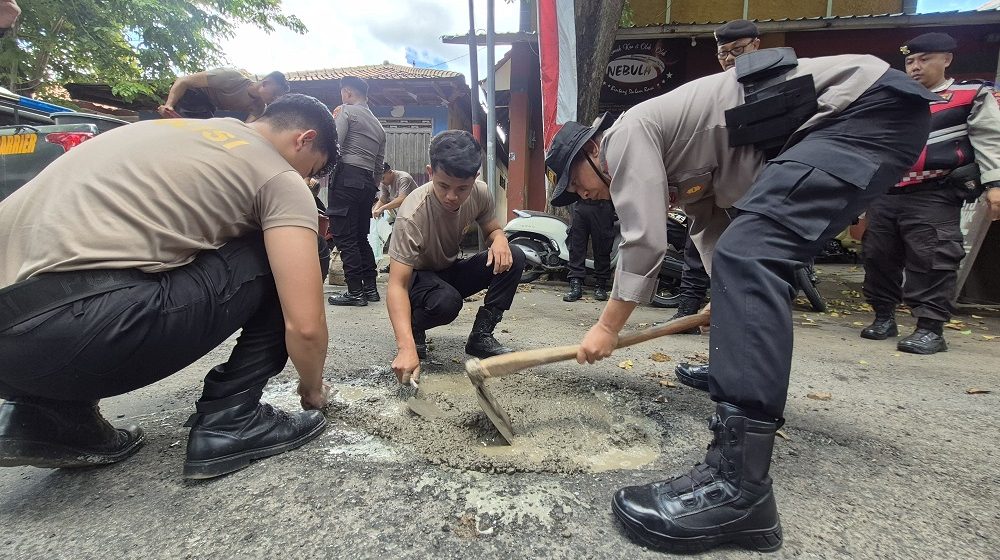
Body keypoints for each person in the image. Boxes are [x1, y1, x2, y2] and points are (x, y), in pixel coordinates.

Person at [548, 48, 936, 553]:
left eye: (575, 185)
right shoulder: (677, 164)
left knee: (750, 253)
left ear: (590, 155)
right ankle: (741, 439)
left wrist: (607, 327)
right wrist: (727, 304)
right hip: (874, 118)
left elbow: (644, 241)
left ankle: (739, 488)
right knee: (744, 251)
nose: (583, 197)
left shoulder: (626, 134)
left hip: (863, 111)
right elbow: (714, 233)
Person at [0, 94, 339, 480]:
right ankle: (232, 417)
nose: (306, 180)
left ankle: (42, 415)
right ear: (304, 139)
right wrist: (313, 389)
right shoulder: (278, 176)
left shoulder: (165, 131)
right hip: (80, 329)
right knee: (304, 248)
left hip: (11, 353)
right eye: (312, 169)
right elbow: (305, 325)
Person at [860, 32, 1000, 355]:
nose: (915, 67)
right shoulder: (893, 97)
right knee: (878, 255)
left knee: (932, 258)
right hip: (886, 191)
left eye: (925, 59)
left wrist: (995, 184)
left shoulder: (970, 95)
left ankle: (930, 328)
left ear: (947, 59)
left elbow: (991, 140)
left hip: (934, 192)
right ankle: (883, 317)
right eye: (910, 61)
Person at [386, 130, 524, 385]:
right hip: (418, 278)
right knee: (447, 303)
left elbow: (492, 228)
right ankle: (414, 328)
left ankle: (481, 336)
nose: (452, 196)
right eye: (443, 186)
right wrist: (405, 347)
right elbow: (397, 285)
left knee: (514, 255)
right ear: (430, 172)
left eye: (462, 188)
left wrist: (501, 239)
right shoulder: (412, 215)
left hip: (449, 269)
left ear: (475, 178)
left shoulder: (480, 193)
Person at [672, 19, 761, 375]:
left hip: (756, 192)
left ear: (756, 44)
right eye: (723, 52)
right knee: (700, 249)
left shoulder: (771, 82)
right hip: (716, 186)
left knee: (746, 270)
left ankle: (737, 370)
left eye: (736, 51)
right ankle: (691, 312)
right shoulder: (716, 90)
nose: (727, 59)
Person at [327, 76, 387, 307]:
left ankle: (354, 292)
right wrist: (372, 188)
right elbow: (379, 165)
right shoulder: (378, 126)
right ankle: (370, 289)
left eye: (343, 93)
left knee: (344, 236)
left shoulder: (346, 111)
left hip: (346, 178)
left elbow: (335, 145)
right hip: (366, 183)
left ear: (348, 93)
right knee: (361, 237)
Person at [157, 69, 290, 122]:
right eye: (275, 94)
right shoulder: (230, 77)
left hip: (209, 107)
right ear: (265, 84)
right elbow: (183, 80)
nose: (275, 99)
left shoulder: (259, 108)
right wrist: (169, 105)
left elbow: (247, 128)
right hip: (192, 95)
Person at [562, 196, 616, 302]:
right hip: (580, 204)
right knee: (576, 246)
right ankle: (575, 285)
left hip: (603, 205)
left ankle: (601, 285)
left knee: (603, 246)